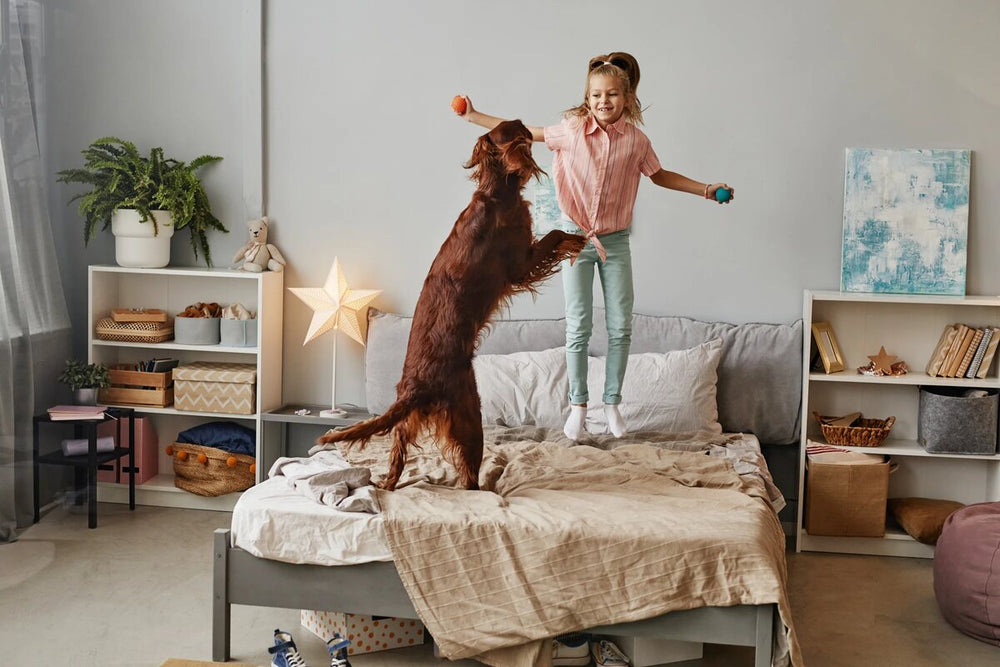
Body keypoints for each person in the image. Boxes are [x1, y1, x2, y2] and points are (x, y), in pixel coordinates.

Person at [456, 51, 733, 440]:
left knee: (621, 326)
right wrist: (475, 116)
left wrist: (705, 189)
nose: (604, 102)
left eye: (612, 95)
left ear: (628, 98)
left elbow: (660, 175)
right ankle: (579, 406)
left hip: (615, 242)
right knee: (578, 326)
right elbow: (522, 131)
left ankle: (613, 403)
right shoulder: (571, 131)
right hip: (575, 240)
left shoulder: (636, 141)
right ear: (587, 98)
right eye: (596, 95)